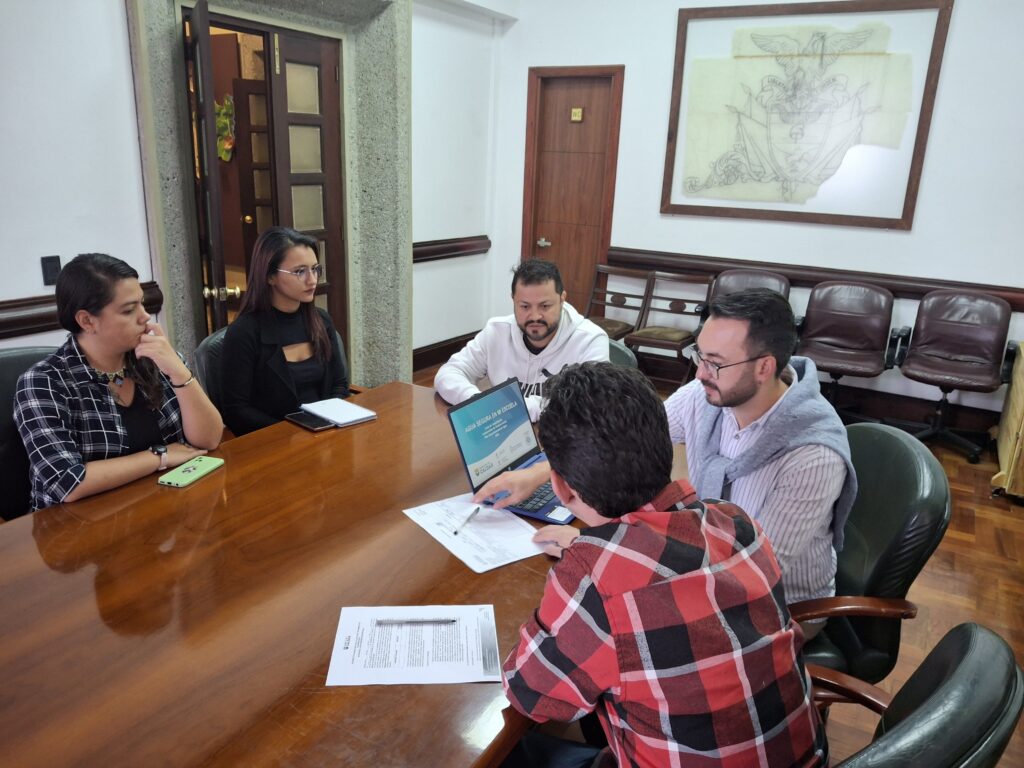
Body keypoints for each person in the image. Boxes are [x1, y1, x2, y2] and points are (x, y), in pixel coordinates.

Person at [502, 362, 827, 768]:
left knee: (519, 753)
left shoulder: (596, 577)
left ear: (561, 486)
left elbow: (530, 694)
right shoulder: (738, 523)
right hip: (805, 758)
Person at [476, 288, 856, 615]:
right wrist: (537, 473)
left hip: (777, 605)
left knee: (610, 633)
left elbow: (757, 572)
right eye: (700, 355)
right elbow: (619, 440)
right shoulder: (704, 397)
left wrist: (598, 550)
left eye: (716, 363)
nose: (701, 373)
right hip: (700, 565)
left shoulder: (812, 456)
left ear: (764, 367)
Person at [14, 254, 224, 513]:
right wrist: (160, 456)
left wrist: (179, 373)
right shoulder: (43, 382)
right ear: (87, 321)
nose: (145, 317)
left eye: (143, 304)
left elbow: (209, 439)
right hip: (77, 529)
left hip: (164, 507)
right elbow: (67, 483)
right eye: (128, 310)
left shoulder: (153, 358)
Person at [434, 259, 608, 421]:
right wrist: (478, 401)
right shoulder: (497, 331)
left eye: (545, 306)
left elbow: (590, 403)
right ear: (513, 300)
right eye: (524, 306)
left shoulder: (590, 340)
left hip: (562, 441)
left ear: (562, 299)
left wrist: (516, 408)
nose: (535, 316)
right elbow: (448, 373)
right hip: (504, 436)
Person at [221, 227, 349, 436]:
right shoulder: (244, 332)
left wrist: (329, 422)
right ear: (270, 276)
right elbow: (236, 411)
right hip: (274, 442)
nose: (312, 280)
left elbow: (339, 384)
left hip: (327, 434)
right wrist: (291, 433)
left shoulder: (321, 320)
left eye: (315, 269)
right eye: (300, 271)